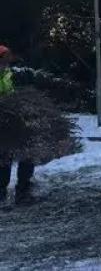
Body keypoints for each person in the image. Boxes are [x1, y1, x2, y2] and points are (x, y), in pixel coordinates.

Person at [0, 45, 34, 204]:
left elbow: (12, 92)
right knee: (4, 157)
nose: (8, 61)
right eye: (5, 57)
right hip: (3, 122)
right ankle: (1, 190)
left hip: (13, 118)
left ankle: (23, 188)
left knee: (27, 153)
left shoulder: (8, 74)